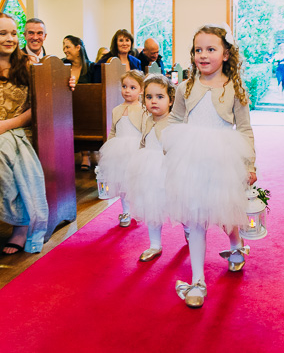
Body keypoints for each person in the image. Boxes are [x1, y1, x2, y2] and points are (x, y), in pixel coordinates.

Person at [163, 25, 256, 308]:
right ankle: (198, 280)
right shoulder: (185, 86)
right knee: (195, 218)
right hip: (191, 159)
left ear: (226, 54)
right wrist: (170, 149)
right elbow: (176, 120)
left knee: (226, 215)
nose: (203, 55)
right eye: (198, 50)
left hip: (222, 158)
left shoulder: (235, 89)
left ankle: (235, 247)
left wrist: (249, 164)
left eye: (211, 49)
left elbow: (245, 129)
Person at [0, 12, 48, 255]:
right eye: (3, 33)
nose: (11, 39)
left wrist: (6, 126)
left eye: (14, 34)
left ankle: (20, 223)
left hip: (20, 128)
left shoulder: (28, 64)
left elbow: (38, 107)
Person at [126, 74, 175, 262]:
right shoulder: (147, 120)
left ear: (171, 100)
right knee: (152, 204)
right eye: (149, 97)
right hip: (149, 170)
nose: (154, 101)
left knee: (179, 204)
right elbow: (144, 141)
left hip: (168, 169)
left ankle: (189, 231)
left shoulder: (173, 121)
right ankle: (155, 244)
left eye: (160, 97)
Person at [97, 70, 146, 227]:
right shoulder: (116, 109)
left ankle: (138, 209)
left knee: (136, 183)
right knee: (122, 184)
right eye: (124, 86)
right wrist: (107, 152)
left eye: (132, 87)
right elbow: (113, 131)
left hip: (136, 150)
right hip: (118, 151)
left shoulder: (143, 109)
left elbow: (145, 131)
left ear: (141, 89)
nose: (127, 90)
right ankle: (126, 211)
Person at [63, 34, 95, 170]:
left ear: (78, 48)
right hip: (66, 106)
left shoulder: (91, 67)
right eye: (63, 47)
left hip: (85, 107)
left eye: (67, 46)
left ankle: (86, 156)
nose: (64, 50)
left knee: (86, 113)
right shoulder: (62, 65)